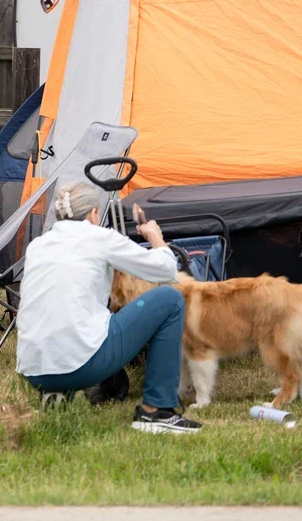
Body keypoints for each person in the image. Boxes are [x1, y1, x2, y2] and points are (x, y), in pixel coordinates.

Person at [16, 180, 203, 435]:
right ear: (94, 214)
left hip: (33, 370)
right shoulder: (100, 237)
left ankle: (55, 395)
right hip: (81, 366)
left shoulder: (37, 245)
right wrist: (155, 237)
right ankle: (157, 411)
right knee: (169, 300)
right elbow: (166, 269)